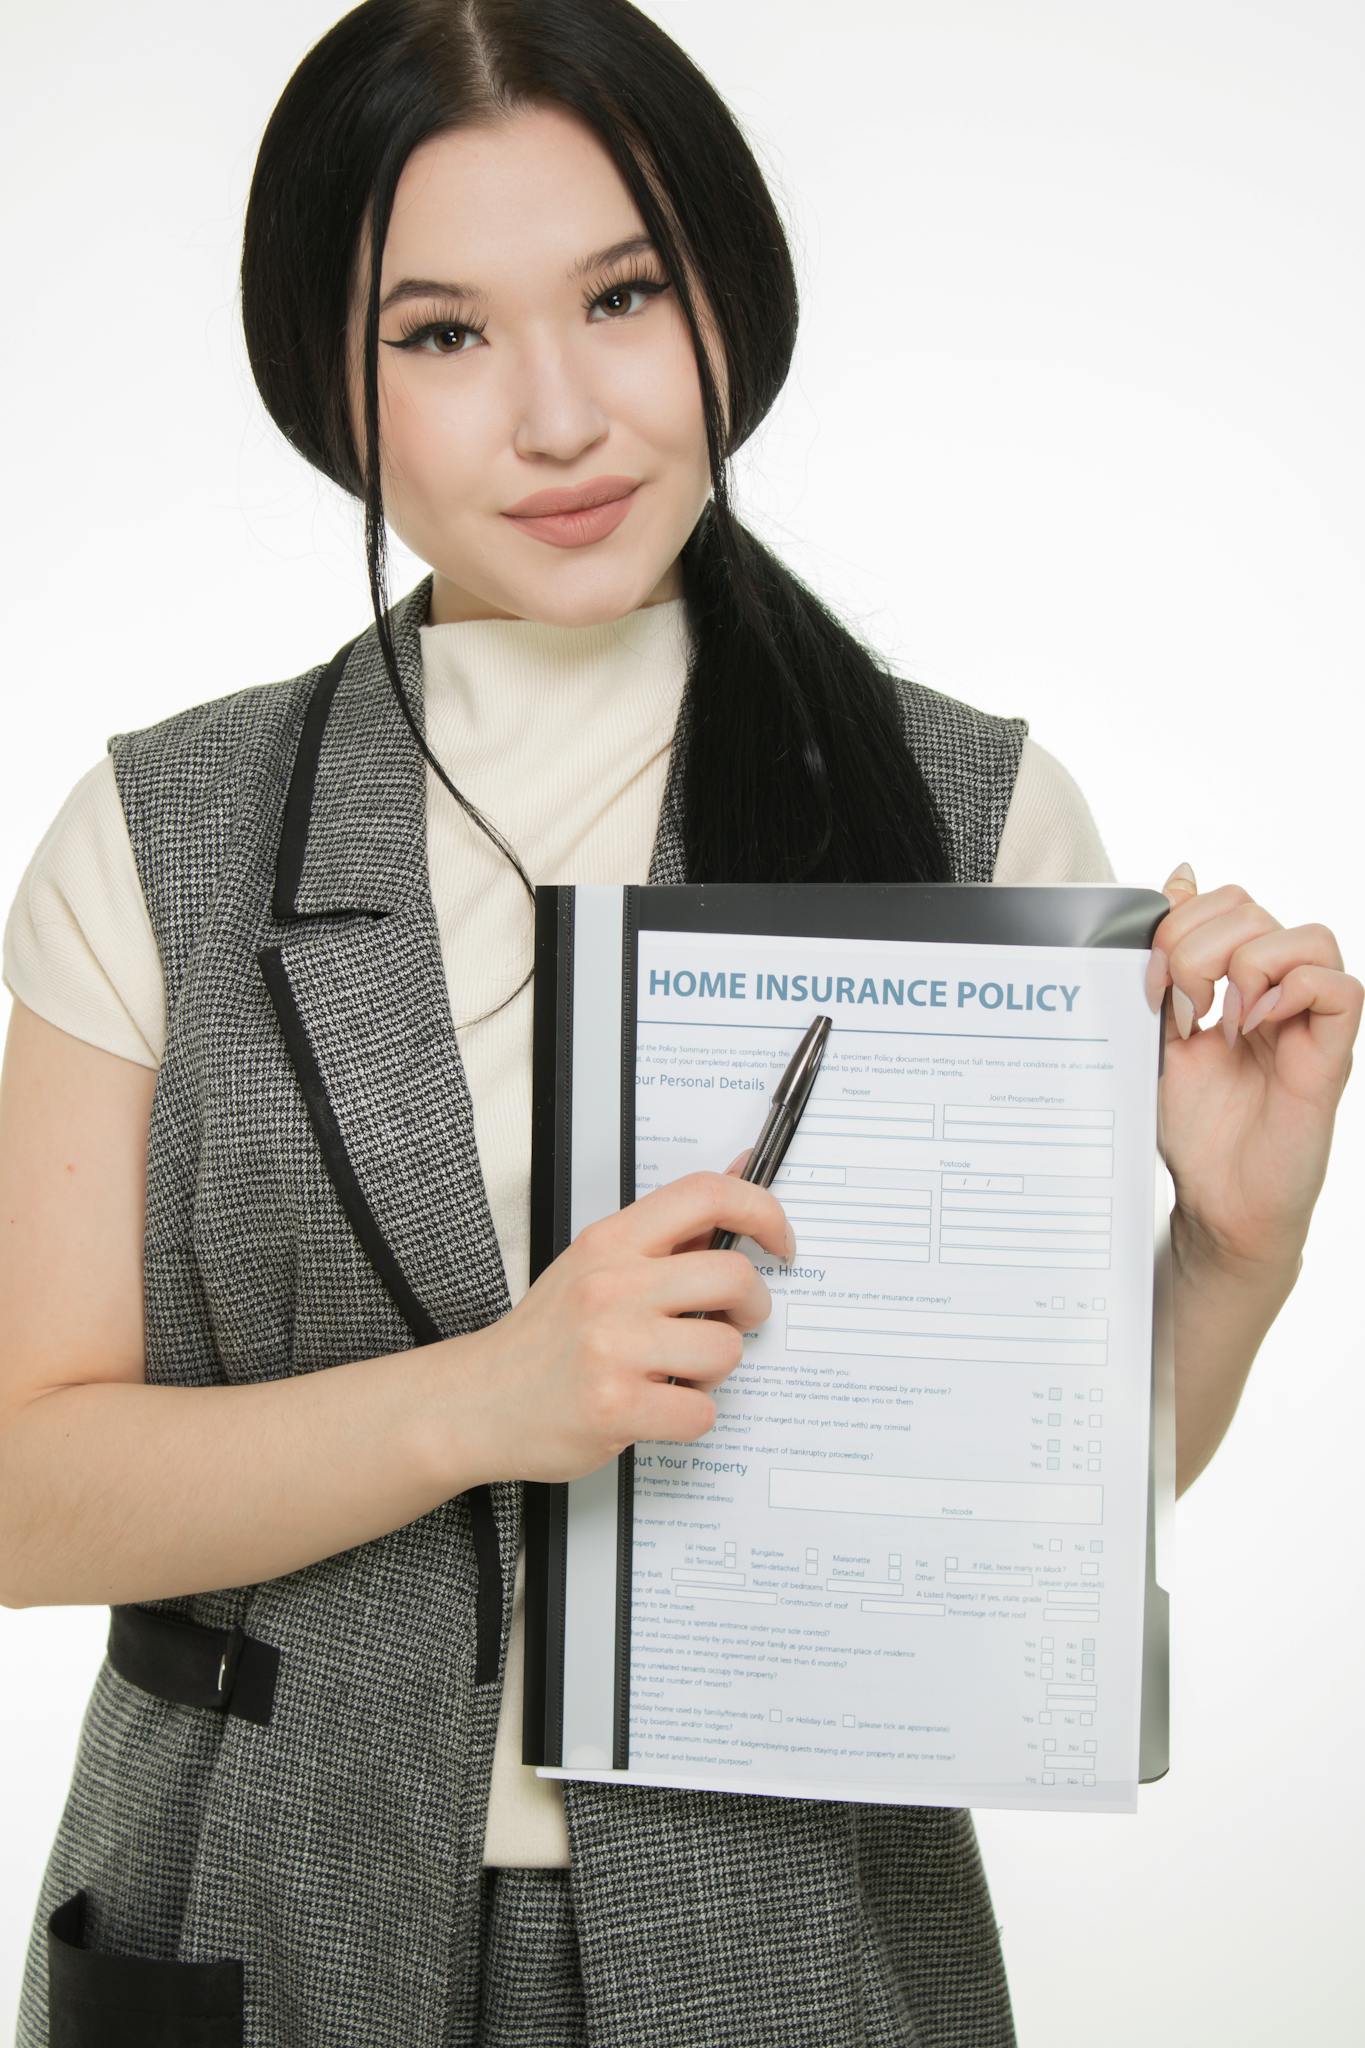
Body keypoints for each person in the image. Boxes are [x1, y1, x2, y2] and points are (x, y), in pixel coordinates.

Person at [1, 3, 1357, 2043]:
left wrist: (1234, 1250)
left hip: (791, 1940)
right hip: (259, 1913)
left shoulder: (972, 819)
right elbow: (23, 1490)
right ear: (328, 383)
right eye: (439, 332)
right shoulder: (160, 836)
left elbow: (997, 1514)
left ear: (723, 295)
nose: (557, 415)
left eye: (620, 295)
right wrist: (493, 1396)